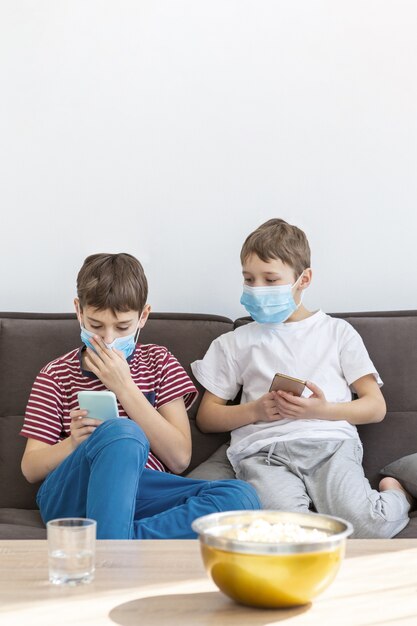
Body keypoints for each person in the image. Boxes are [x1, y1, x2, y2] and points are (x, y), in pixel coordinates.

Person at [191, 218, 412, 538]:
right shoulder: (234, 342)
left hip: (331, 446)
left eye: (270, 279)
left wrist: (320, 410)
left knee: (369, 526)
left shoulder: (338, 333)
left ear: (303, 279)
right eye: (249, 280)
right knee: (286, 535)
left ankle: (398, 495)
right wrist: (255, 411)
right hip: (264, 454)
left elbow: (375, 407)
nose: (257, 290)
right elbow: (207, 418)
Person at [20, 253, 260, 539]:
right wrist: (73, 443)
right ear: (79, 312)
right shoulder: (56, 374)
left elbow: (180, 459)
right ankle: (116, 547)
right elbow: (31, 468)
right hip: (74, 495)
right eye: (96, 326)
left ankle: (118, 541)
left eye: (122, 327)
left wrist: (124, 387)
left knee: (241, 497)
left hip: (142, 491)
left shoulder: (159, 361)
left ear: (143, 316)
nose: (108, 340)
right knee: (121, 432)